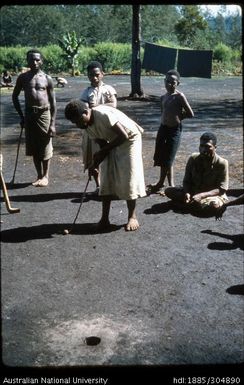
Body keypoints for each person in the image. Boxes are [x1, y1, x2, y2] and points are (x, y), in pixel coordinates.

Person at [64, 99, 146, 231]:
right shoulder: (86, 127)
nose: (77, 125)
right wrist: (95, 164)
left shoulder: (102, 114)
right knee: (106, 178)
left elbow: (123, 135)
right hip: (112, 141)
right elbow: (103, 145)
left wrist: (103, 151)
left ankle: (132, 216)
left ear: (86, 112)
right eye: (74, 123)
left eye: (78, 120)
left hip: (130, 139)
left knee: (128, 176)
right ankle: (104, 219)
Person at [12, 49, 56, 187]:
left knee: (45, 144)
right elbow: (15, 96)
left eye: (37, 59)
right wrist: (21, 116)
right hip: (30, 115)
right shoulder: (23, 78)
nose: (35, 62)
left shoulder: (47, 78)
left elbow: (53, 102)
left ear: (41, 61)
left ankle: (46, 176)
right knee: (34, 146)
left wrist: (53, 123)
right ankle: (38, 175)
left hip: (44, 114)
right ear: (28, 61)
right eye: (32, 59)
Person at [147, 69, 194, 195]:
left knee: (169, 157)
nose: (169, 85)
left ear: (177, 83)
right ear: (164, 82)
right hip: (163, 128)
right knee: (162, 156)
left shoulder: (179, 97)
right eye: (167, 82)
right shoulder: (163, 97)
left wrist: (179, 117)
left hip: (175, 129)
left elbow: (190, 113)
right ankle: (163, 183)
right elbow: (163, 112)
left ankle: (168, 184)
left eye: (172, 82)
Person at [164, 132, 229, 217]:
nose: (203, 149)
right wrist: (187, 193)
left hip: (211, 195)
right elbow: (186, 181)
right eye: (201, 146)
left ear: (215, 147)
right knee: (168, 191)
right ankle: (193, 204)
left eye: (208, 146)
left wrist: (202, 195)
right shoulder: (193, 158)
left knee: (214, 206)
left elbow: (222, 189)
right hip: (194, 191)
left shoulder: (222, 163)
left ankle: (192, 205)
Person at [80, 61, 117, 193]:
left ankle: (110, 185)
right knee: (93, 157)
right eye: (91, 75)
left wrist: (96, 108)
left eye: (96, 75)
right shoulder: (86, 92)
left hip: (108, 128)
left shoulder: (109, 89)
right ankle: (98, 185)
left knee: (108, 156)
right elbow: (83, 109)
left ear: (102, 74)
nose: (94, 78)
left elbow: (113, 104)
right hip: (91, 130)